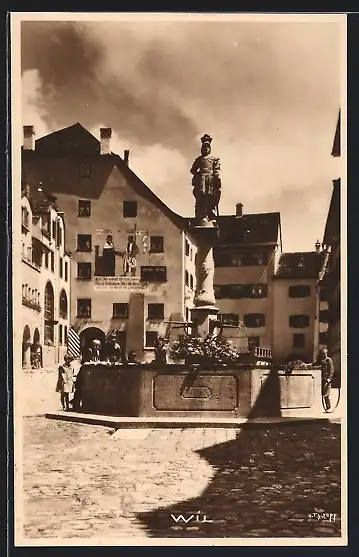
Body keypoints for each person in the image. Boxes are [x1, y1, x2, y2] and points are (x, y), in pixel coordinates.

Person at [190, 134, 221, 224]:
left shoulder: (214, 159)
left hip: (210, 180)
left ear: (210, 149)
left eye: (207, 147)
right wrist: (198, 174)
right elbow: (192, 170)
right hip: (201, 181)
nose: (206, 149)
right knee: (201, 198)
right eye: (204, 147)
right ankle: (202, 216)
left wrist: (216, 174)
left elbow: (217, 169)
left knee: (211, 198)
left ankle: (211, 216)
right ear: (201, 149)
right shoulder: (199, 160)